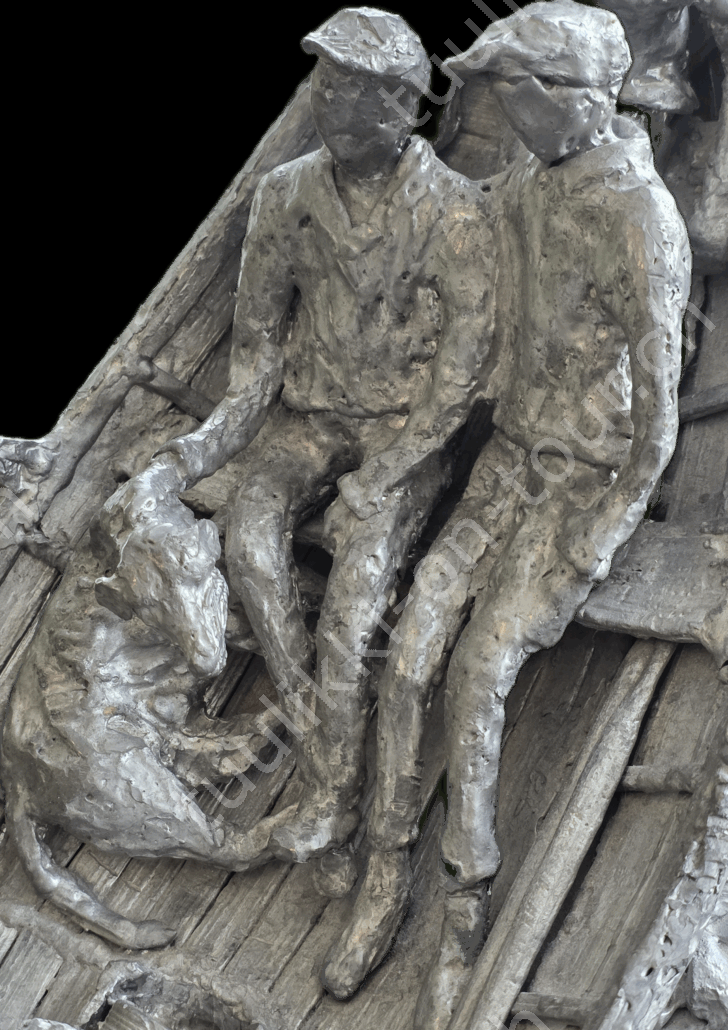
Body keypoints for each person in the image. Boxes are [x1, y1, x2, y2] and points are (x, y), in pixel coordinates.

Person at [318, 3, 692, 1024]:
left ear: (575, 98)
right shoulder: (528, 184)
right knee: (408, 656)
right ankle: (383, 876)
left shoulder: (641, 219)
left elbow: (660, 416)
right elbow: (462, 243)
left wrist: (600, 531)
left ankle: (463, 904)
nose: (503, 110)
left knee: (479, 669)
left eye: (514, 91)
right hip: (508, 465)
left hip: (581, 481)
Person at [114, 8, 497, 862]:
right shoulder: (286, 194)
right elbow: (254, 366)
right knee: (250, 537)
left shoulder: (456, 215)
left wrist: (386, 474)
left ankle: (338, 792)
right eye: (325, 81)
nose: (327, 100)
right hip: (309, 420)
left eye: (351, 88)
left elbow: (460, 381)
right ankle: (326, 756)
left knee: (356, 601)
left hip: (404, 436)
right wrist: (184, 459)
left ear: (401, 107)